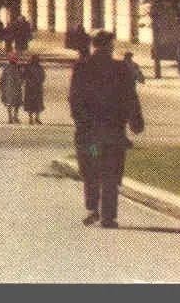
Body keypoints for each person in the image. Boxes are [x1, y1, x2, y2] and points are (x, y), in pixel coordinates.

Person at [69, 30, 144, 229]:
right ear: (110, 46)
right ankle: (108, 216)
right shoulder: (121, 68)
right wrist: (136, 121)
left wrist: (82, 124)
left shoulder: (82, 67)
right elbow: (130, 97)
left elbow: (75, 99)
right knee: (110, 172)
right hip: (113, 134)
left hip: (91, 136)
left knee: (92, 168)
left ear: (94, 45)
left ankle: (93, 208)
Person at [0, 55, 24, 123]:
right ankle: (14, 117)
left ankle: (11, 117)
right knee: (16, 103)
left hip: (9, 88)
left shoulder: (7, 68)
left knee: (11, 103)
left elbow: (2, 79)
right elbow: (22, 78)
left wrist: (1, 87)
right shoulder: (17, 68)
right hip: (14, 88)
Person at [22, 54, 46, 124]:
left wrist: (38, 81)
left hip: (36, 87)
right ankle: (31, 118)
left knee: (36, 103)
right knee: (32, 103)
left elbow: (43, 76)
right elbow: (24, 76)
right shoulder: (28, 67)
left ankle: (36, 118)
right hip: (31, 88)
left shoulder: (39, 68)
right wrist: (30, 81)